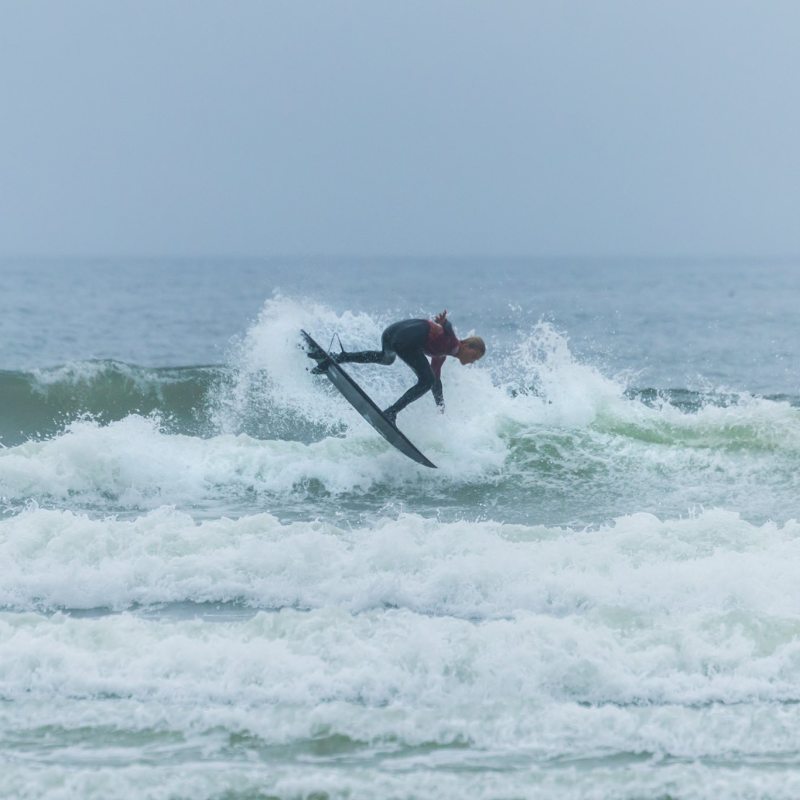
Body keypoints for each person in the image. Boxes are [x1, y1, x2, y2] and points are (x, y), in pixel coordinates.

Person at [309, 310, 485, 424]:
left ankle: (340, 358)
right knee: (426, 380)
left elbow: (436, 383)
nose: (472, 362)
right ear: (467, 346)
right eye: (474, 356)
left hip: (391, 333)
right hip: (405, 339)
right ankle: (391, 412)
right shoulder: (452, 343)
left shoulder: (441, 355)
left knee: (386, 359)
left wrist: (441, 406)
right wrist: (444, 322)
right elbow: (448, 329)